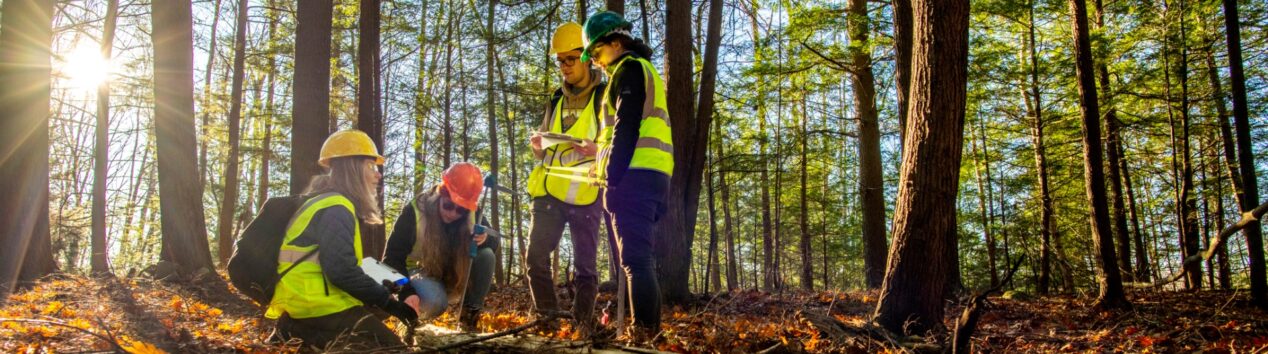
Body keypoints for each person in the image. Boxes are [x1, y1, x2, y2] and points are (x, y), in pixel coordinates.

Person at [266, 129, 419, 350]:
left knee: (375, 311)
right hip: (320, 307)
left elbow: (335, 263)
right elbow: (341, 271)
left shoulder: (325, 201)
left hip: (304, 303)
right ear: (354, 169)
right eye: (371, 166)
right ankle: (303, 332)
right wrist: (391, 304)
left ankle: (297, 330)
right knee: (394, 349)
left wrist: (386, 290)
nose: (378, 174)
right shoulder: (336, 208)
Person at [581, 11, 674, 341]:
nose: (595, 62)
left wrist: (613, 177)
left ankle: (644, 336)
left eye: (595, 52)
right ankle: (650, 333)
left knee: (635, 260)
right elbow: (628, 130)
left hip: (633, 177)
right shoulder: (644, 69)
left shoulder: (628, 69)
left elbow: (627, 126)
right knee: (641, 259)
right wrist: (599, 156)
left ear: (615, 43)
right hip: (653, 175)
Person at [524, 22, 607, 334]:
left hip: (587, 193)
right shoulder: (556, 97)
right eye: (559, 61)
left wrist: (598, 150)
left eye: (570, 59)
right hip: (549, 190)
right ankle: (547, 322)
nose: (564, 67)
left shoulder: (605, 95)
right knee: (535, 260)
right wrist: (538, 146)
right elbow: (545, 149)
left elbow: (620, 143)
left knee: (586, 270)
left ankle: (582, 328)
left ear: (586, 58)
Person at [383, 162, 498, 332]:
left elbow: (493, 245)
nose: (453, 214)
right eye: (448, 205)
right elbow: (391, 258)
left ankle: (468, 321)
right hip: (417, 274)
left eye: (461, 211)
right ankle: (410, 323)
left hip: (452, 276)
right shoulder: (416, 210)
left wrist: (485, 238)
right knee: (434, 300)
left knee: (487, 255)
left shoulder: (473, 214)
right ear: (440, 193)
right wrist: (406, 292)